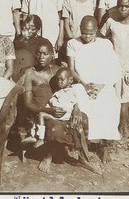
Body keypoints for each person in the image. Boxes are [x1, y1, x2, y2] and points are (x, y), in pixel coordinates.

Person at [22, 40, 92, 173]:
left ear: (52, 55)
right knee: (55, 127)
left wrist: (76, 109)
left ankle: (82, 157)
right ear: (35, 55)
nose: (41, 57)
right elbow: (27, 103)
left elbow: (71, 91)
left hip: (62, 109)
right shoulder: (30, 74)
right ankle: (48, 156)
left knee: (83, 118)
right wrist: (47, 110)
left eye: (45, 54)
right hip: (42, 113)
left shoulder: (57, 71)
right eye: (38, 54)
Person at [67, 16, 121, 163]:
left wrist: (101, 85)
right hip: (81, 83)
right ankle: (84, 144)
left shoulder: (105, 44)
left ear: (97, 30)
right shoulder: (73, 43)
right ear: (80, 28)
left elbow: (114, 68)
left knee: (110, 103)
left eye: (91, 33)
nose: (87, 36)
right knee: (82, 102)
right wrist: (84, 85)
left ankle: (104, 146)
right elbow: (71, 70)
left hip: (103, 84)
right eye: (84, 33)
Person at [100, 0, 129, 141]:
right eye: (120, 5)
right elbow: (101, 37)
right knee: (122, 101)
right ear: (117, 7)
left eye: (126, 6)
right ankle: (124, 128)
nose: (123, 8)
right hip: (119, 68)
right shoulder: (111, 22)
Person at [30, 67, 85, 149]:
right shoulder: (59, 92)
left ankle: (39, 137)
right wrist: (49, 108)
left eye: (62, 80)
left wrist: (75, 109)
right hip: (57, 115)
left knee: (41, 115)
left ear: (70, 80)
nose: (59, 82)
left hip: (64, 116)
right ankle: (34, 135)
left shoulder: (71, 91)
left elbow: (75, 102)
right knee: (40, 115)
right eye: (57, 80)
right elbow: (51, 103)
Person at [13, 14, 49, 82]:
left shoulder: (43, 43)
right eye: (26, 28)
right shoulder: (17, 41)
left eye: (32, 29)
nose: (29, 31)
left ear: (38, 30)